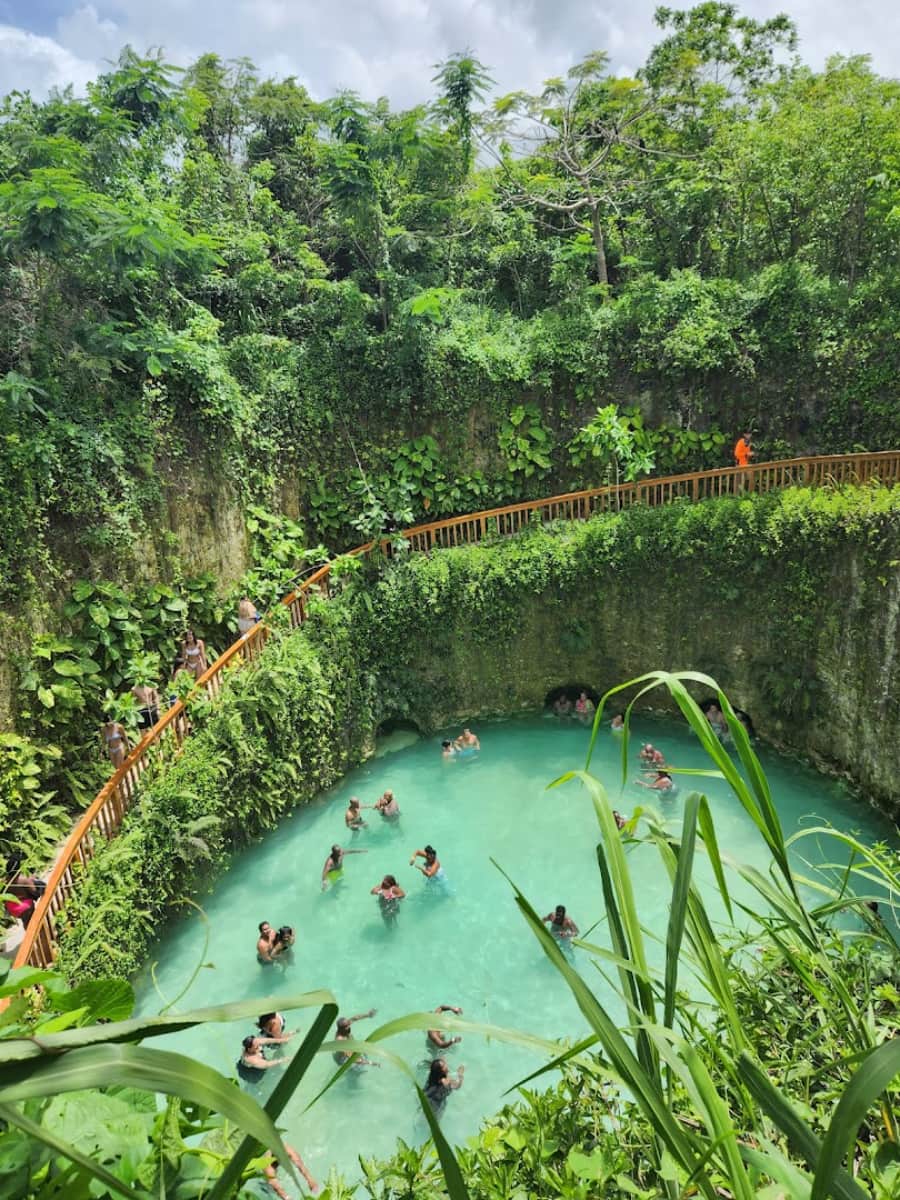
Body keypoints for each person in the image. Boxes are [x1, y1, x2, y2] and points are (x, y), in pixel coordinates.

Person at [3, 859, 43, 929]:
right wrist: (32, 881)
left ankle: (29, 931)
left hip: (12, 908)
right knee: (31, 922)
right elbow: (35, 893)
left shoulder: (4, 881)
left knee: (27, 922)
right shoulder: (23, 880)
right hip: (24, 907)